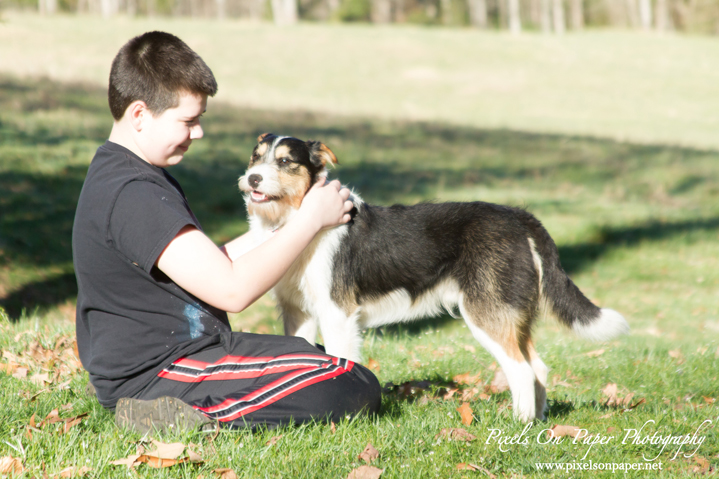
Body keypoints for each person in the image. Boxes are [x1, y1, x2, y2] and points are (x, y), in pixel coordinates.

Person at [72, 31, 381, 433]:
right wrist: (309, 221)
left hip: (188, 355)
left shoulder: (134, 173)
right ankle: (176, 416)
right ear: (139, 115)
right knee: (350, 383)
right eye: (189, 120)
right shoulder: (132, 193)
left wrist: (289, 221)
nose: (198, 132)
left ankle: (197, 406)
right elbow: (231, 291)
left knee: (324, 361)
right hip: (161, 374)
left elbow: (201, 263)